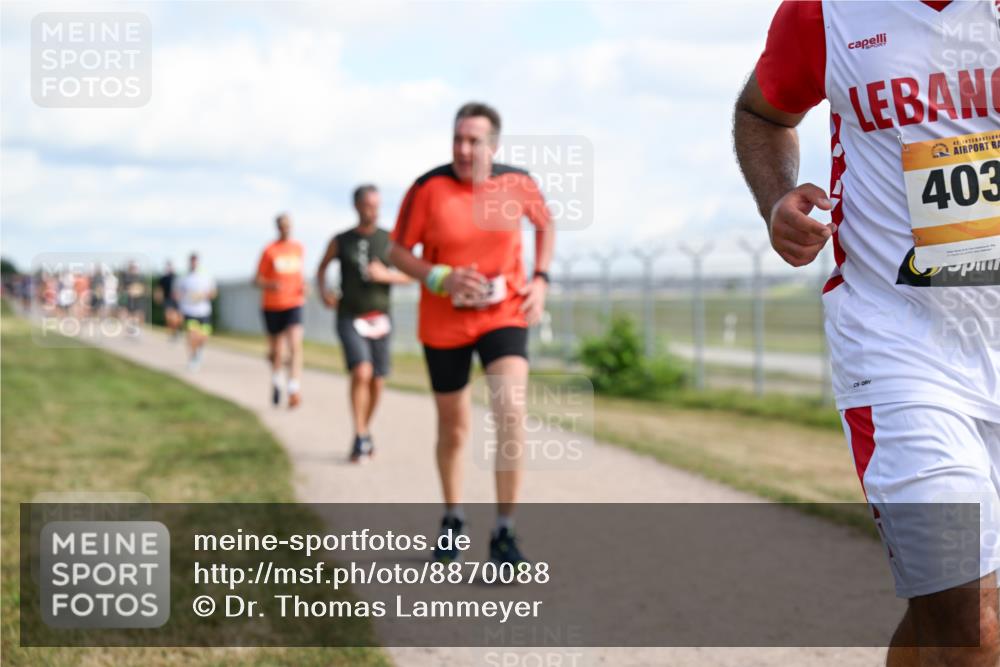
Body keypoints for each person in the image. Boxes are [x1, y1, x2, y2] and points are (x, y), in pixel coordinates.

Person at [734, 2, 1000, 665]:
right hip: (900, 345)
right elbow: (763, 113)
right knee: (969, 623)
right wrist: (776, 199)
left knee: (950, 620)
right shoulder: (826, 13)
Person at [388, 102, 554, 565]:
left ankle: (504, 531)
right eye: (457, 139)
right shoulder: (427, 188)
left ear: (493, 146)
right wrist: (439, 276)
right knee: (454, 428)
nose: (463, 149)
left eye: (473, 141)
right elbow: (397, 252)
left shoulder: (518, 183)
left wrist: (541, 278)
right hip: (444, 322)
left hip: (503, 314)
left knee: (511, 412)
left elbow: (545, 224)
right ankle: (453, 516)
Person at [317, 184, 411, 462]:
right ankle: (359, 434)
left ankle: (364, 430)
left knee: (378, 381)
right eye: (369, 206)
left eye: (377, 206)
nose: (374, 211)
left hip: (380, 318)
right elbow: (322, 268)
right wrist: (324, 292)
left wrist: (386, 275)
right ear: (357, 206)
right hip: (350, 316)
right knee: (361, 371)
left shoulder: (389, 239)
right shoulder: (341, 240)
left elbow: (410, 275)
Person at [255, 213, 307, 408]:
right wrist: (270, 285)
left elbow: (298, 275)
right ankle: (277, 380)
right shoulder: (270, 250)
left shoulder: (298, 248)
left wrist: (304, 286)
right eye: (283, 226)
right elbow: (257, 279)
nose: (286, 229)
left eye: (289, 225)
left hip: (294, 303)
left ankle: (294, 388)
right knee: (276, 351)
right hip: (272, 305)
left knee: (295, 344)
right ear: (278, 228)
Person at [174, 253, 216, 372]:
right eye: (191, 261)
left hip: (204, 311)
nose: (193, 263)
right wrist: (181, 300)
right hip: (188, 311)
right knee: (192, 335)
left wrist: (202, 296)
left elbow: (213, 293)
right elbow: (177, 293)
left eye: (195, 261)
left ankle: (199, 350)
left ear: (198, 262)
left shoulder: (206, 276)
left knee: (203, 337)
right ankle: (193, 359)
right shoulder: (183, 277)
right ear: (189, 262)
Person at [155, 261, 182, 341]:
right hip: (167, 300)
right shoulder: (163, 278)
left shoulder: (177, 277)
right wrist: (158, 297)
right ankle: (171, 333)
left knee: (176, 318)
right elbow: (159, 289)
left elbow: (181, 289)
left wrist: (179, 296)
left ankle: (176, 331)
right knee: (169, 317)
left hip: (176, 300)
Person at [122, 260, 146, 337]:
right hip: (129, 299)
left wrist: (138, 292)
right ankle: (131, 329)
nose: (133, 269)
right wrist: (129, 291)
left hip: (138, 299)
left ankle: (135, 328)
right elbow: (124, 288)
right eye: (132, 268)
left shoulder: (141, 277)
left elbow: (143, 288)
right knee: (130, 314)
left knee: (137, 314)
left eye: (134, 268)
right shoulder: (126, 278)